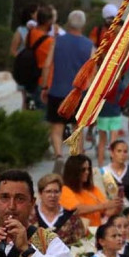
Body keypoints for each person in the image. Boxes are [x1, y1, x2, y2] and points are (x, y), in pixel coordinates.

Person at [44, 10, 95, 161]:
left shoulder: (57, 41)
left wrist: (44, 87)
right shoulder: (89, 45)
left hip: (57, 91)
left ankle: (59, 154)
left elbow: (47, 65)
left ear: (68, 22)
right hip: (79, 93)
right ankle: (77, 156)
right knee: (77, 127)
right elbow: (93, 70)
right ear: (83, 25)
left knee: (57, 126)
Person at [61, 154, 118, 227]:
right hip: (79, 233)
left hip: (96, 230)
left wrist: (117, 206)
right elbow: (77, 210)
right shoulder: (65, 190)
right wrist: (104, 205)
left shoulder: (93, 189)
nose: (87, 172)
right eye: (83, 169)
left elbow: (106, 212)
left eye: (88, 169)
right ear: (74, 171)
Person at [102, 139, 129, 213]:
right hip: (109, 213)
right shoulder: (103, 172)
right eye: (119, 151)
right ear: (112, 153)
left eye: (125, 151)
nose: (122, 154)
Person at [28, 5, 58, 112]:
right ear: (47, 22)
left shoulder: (32, 33)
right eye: (53, 20)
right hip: (45, 81)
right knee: (45, 115)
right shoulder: (49, 42)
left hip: (33, 77)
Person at [11, 3, 39, 110]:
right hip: (26, 69)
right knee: (25, 99)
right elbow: (13, 50)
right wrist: (23, 60)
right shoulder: (21, 31)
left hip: (38, 69)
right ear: (31, 15)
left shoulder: (41, 30)